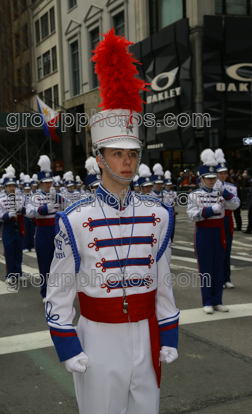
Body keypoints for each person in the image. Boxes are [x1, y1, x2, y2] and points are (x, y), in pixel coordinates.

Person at [46, 28, 179, 414]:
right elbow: (59, 291)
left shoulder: (158, 215)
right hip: (99, 338)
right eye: (117, 154)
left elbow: (164, 281)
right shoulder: (75, 219)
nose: (127, 162)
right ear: (100, 158)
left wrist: (168, 333)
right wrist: (67, 343)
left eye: (132, 154)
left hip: (146, 334)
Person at [187, 149, 240, 314]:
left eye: (213, 178)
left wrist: (224, 192)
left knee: (218, 267)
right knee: (206, 269)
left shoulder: (222, 193)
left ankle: (218, 300)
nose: (211, 181)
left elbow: (236, 204)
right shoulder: (194, 195)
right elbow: (192, 216)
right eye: (208, 178)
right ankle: (207, 301)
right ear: (202, 179)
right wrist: (210, 210)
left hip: (219, 232)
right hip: (203, 233)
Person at [26, 156, 63, 302]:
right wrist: (43, 209)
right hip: (43, 232)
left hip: (58, 231)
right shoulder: (34, 196)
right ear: (40, 183)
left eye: (50, 182)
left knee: (59, 263)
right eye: (45, 182)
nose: (48, 185)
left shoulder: (58, 195)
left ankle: (59, 291)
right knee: (45, 262)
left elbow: (70, 209)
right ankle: (45, 292)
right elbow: (28, 212)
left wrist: (59, 198)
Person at [0, 166, 27, 283]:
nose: (12, 188)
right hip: (8, 227)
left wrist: (22, 209)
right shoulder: (0, 200)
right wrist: (8, 215)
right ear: (5, 187)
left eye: (13, 186)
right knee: (9, 251)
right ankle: (9, 274)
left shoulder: (21, 198)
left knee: (18, 250)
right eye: (9, 186)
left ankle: (19, 272)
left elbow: (27, 210)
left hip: (19, 226)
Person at [215, 149, 238, 289]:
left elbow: (232, 204)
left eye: (224, 173)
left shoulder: (231, 187)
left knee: (227, 249)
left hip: (227, 220)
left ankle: (226, 278)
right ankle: (218, 279)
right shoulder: (210, 187)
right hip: (215, 220)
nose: (223, 176)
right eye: (220, 173)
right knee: (217, 251)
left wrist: (223, 192)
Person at [163, 171, 178, 243]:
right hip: (165, 210)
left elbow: (176, 201)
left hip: (172, 210)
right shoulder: (163, 193)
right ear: (165, 185)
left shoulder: (174, 193)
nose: (169, 186)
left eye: (170, 185)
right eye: (167, 185)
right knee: (166, 227)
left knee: (172, 226)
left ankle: (171, 239)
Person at [22, 175, 36, 253]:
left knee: (32, 231)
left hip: (32, 215)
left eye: (28, 189)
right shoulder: (22, 196)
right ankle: (26, 246)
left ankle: (32, 245)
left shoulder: (33, 195)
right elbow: (21, 205)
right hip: (25, 216)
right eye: (26, 189)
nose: (27, 190)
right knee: (26, 231)